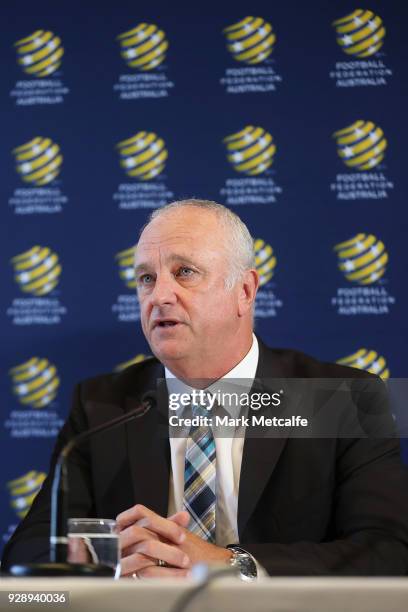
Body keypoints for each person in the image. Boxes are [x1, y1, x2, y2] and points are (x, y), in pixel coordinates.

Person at [2, 199, 408, 578]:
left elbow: (388, 551)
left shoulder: (341, 397)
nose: (159, 295)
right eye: (146, 278)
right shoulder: (103, 405)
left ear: (244, 291)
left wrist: (231, 566)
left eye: (184, 272)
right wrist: (105, 558)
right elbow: (28, 551)